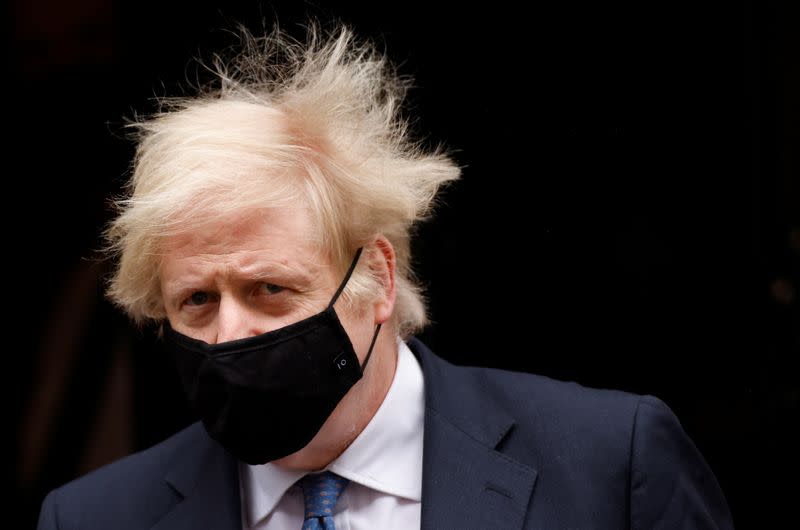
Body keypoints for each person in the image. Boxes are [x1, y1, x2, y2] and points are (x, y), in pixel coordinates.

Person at [37, 25, 734, 530]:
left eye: (269, 289)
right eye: (195, 301)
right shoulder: (94, 516)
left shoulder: (611, 467)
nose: (229, 334)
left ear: (377, 276)